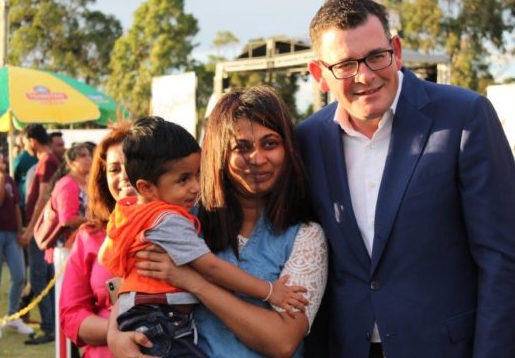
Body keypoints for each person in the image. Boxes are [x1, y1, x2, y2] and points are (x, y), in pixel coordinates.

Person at [296, 0, 515, 357]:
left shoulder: (464, 116)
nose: (365, 75)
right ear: (319, 74)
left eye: (376, 56)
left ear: (397, 50)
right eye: (345, 65)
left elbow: (503, 262)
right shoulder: (308, 139)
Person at [109, 86, 328, 358]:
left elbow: (282, 342)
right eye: (242, 147)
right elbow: (133, 278)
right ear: (220, 153)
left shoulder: (305, 236)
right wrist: (113, 335)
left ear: (288, 149)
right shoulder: (184, 219)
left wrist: (194, 283)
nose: (257, 159)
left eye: (270, 143)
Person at [59, 122, 135, 358]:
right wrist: (119, 333)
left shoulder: (182, 228)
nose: (124, 176)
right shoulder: (89, 236)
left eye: (132, 163)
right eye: (114, 169)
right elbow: (71, 315)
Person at [43, 143, 93, 358]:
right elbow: (67, 219)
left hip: (80, 249)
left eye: (89, 154)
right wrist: (93, 221)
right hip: (65, 251)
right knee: (67, 306)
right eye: (82, 156)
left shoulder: (86, 183)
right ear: (71, 162)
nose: (88, 158)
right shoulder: (67, 184)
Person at [20, 124, 60, 345]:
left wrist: (31, 229)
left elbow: (43, 198)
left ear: (32, 140)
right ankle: (52, 325)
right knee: (45, 278)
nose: (25, 146)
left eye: (25, 141)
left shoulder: (46, 162)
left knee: (39, 278)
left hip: (41, 230)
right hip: (44, 229)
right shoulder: (48, 161)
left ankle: (49, 326)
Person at [0, 147, 35, 340]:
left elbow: (16, 206)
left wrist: (20, 230)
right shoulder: (4, 178)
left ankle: (12, 316)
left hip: (11, 234)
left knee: (19, 275)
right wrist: (1, 178)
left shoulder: (9, 179)